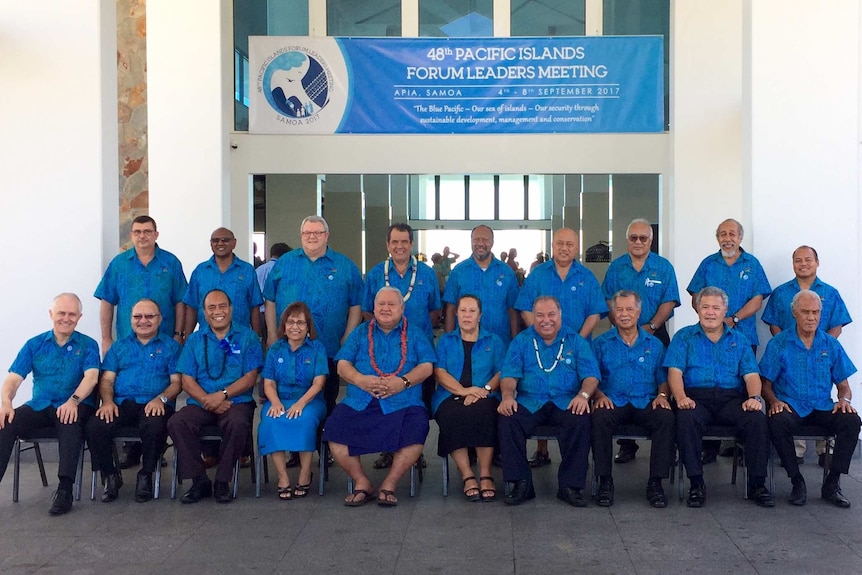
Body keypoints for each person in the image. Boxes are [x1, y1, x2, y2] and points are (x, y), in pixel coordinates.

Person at [324, 287, 435, 507]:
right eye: (380, 304)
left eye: (391, 304)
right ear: (373, 307)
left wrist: (402, 382)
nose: (385, 308)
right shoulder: (360, 332)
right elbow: (342, 364)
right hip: (361, 400)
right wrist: (360, 380)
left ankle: (390, 484)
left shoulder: (415, 333)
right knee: (334, 429)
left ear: (402, 308)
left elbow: (427, 366)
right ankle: (362, 482)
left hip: (404, 400)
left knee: (418, 427)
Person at [665, 286, 774, 508]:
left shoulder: (740, 340)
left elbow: (752, 375)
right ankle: (696, 483)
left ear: (725, 310)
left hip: (730, 399)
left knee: (756, 419)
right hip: (696, 397)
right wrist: (681, 397)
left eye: (716, 307)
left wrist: (754, 397)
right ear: (697, 309)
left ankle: (757, 484)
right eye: (705, 306)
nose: (710, 312)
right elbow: (674, 373)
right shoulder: (683, 337)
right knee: (686, 418)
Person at [0, 293, 100, 515]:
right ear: (51, 314)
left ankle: (65, 490)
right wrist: (6, 402)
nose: (66, 318)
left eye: (72, 314)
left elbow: (91, 377)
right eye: (61, 313)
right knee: (6, 421)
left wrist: (73, 401)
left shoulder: (88, 345)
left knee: (69, 421)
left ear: (79, 317)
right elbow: (14, 379)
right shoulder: (34, 344)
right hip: (41, 405)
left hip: (76, 404)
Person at [760, 289, 861, 507]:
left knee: (851, 420)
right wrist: (775, 402)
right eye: (806, 312)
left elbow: (844, 386)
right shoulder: (779, 343)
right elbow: (764, 385)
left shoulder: (830, 344)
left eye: (816, 312)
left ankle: (832, 482)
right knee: (776, 421)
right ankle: (797, 481)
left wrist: (845, 401)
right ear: (794, 313)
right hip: (791, 405)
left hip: (822, 406)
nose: (811, 317)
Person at [497, 296, 600, 507]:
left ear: (560, 316)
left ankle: (570, 486)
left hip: (566, 400)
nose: (546, 320)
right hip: (530, 400)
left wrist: (583, 396)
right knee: (508, 419)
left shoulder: (575, 341)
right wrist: (507, 396)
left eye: (551, 314)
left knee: (580, 419)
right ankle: (521, 483)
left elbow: (591, 376)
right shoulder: (522, 341)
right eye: (540, 315)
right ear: (533, 317)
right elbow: (509, 375)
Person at [515, 228, 605, 468]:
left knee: (570, 397)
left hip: (576, 349)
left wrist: (574, 341)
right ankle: (542, 450)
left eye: (569, 244)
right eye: (560, 243)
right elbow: (524, 307)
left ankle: (572, 468)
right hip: (540, 345)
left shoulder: (587, 277)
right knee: (540, 391)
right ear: (553, 245)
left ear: (576, 248)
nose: (564, 248)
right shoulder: (537, 276)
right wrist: (541, 332)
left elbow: (595, 313)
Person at [686, 218, 771, 464]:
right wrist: (710, 320)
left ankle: (741, 449)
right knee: (709, 388)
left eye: (732, 233)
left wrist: (732, 318)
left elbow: (757, 300)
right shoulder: (708, 264)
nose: (727, 238)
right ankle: (708, 449)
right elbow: (695, 296)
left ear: (740, 237)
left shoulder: (752, 264)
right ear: (717, 238)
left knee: (742, 393)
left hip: (742, 337)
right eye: (722, 234)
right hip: (709, 337)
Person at [167, 289, 263, 504]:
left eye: (222, 306)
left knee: (238, 423)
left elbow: (250, 377)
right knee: (177, 422)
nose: (217, 312)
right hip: (201, 401)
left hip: (236, 401)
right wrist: (206, 400)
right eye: (211, 307)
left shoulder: (247, 337)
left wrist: (222, 395)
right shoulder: (194, 340)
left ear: (231, 309)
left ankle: (222, 481)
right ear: (204, 312)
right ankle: (199, 479)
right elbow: (187, 380)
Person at [264, 215, 363, 417]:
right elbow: (270, 299)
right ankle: (293, 445)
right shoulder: (284, 263)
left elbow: (356, 304)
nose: (312, 236)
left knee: (326, 399)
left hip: (329, 346)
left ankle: (322, 442)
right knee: (286, 398)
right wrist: (272, 333)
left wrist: (348, 336)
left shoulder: (345, 266)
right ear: (301, 235)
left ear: (326, 235)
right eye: (307, 232)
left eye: (317, 232)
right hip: (287, 347)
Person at [762, 245, 853, 465]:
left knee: (835, 410)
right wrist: (790, 344)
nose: (803, 264)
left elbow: (837, 325)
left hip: (820, 353)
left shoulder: (830, 292)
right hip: (788, 355)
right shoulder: (781, 293)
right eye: (798, 260)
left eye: (808, 260)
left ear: (817, 262)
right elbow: (773, 323)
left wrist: (819, 344)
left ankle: (827, 455)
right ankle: (795, 456)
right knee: (787, 406)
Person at [85, 298, 181, 503]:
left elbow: (176, 383)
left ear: (159, 319)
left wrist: (161, 399)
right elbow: (107, 379)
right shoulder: (119, 347)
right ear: (131, 319)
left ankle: (145, 475)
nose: (143, 321)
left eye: (149, 316)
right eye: (138, 316)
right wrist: (108, 402)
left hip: (155, 404)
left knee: (155, 426)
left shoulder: (171, 347)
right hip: (121, 404)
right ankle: (111, 476)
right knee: (95, 426)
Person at [601, 218, 680, 464]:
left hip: (656, 333)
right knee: (621, 378)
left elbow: (669, 300)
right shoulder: (616, 267)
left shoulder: (663, 267)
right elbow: (607, 299)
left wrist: (651, 326)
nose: (638, 242)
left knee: (661, 383)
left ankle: (669, 446)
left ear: (651, 240)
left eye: (643, 238)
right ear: (627, 240)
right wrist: (622, 324)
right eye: (633, 238)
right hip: (621, 333)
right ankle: (627, 445)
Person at [362, 224, 441, 470]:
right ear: (387, 245)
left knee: (419, 402)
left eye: (404, 242)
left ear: (411, 244)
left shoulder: (426, 274)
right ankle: (388, 449)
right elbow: (367, 310)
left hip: (419, 353)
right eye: (394, 242)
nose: (399, 246)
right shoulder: (376, 274)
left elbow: (435, 311)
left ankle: (414, 449)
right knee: (386, 397)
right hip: (385, 351)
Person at [590, 290, 674, 508]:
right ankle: (604, 482)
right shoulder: (600, 344)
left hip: (645, 400)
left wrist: (663, 396)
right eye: (619, 309)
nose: (624, 314)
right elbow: (591, 377)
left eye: (629, 309)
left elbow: (663, 378)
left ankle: (656, 483)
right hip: (612, 400)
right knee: (598, 418)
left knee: (665, 417)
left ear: (639, 313)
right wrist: (598, 396)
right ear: (613, 313)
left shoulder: (655, 345)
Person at [432, 294, 505, 502]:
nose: (467, 315)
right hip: (450, 395)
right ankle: (467, 474)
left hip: (486, 395)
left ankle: (485, 473)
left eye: (472, 311)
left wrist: (484, 390)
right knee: (451, 414)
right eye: (463, 310)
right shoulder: (446, 341)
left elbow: (502, 371)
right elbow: (440, 372)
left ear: (479, 315)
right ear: (456, 314)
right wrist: (465, 392)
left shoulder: (494, 340)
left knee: (486, 413)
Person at [257, 302, 327, 500]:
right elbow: (269, 383)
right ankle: (283, 477)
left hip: (310, 400)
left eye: (300, 323)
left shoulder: (317, 348)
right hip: (279, 399)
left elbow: (318, 383)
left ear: (308, 327)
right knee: (271, 420)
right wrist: (276, 402)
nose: (295, 326)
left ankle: (305, 474)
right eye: (290, 322)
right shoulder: (275, 349)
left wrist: (301, 404)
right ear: (284, 326)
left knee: (304, 420)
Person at [95, 215, 188, 353]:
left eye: (147, 232)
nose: (142, 236)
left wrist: (179, 334)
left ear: (156, 234)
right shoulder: (119, 264)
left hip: (165, 341)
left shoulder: (171, 262)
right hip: (127, 342)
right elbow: (107, 301)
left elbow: (180, 301)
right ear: (131, 235)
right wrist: (106, 339)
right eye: (137, 232)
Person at [443, 225, 520, 347]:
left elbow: (512, 311)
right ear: (471, 241)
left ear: (492, 243)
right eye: (476, 239)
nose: (480, 243)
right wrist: (448, 342)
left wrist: (516, 343)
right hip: (465, 345)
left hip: (500, 344)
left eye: (485, 240)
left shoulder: (507, 273)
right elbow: (451, 308)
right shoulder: (458, 272)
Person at [183, 227, 263, 337]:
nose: (220, 243)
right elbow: (192, 307)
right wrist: (188, 337)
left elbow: (254, 307)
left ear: (234, 243)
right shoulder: (200, 271)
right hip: (206, 339)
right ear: (211, 244)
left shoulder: (247, 270)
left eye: (225, 240)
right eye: (215, 240)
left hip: (240, 339)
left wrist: (257, 337)